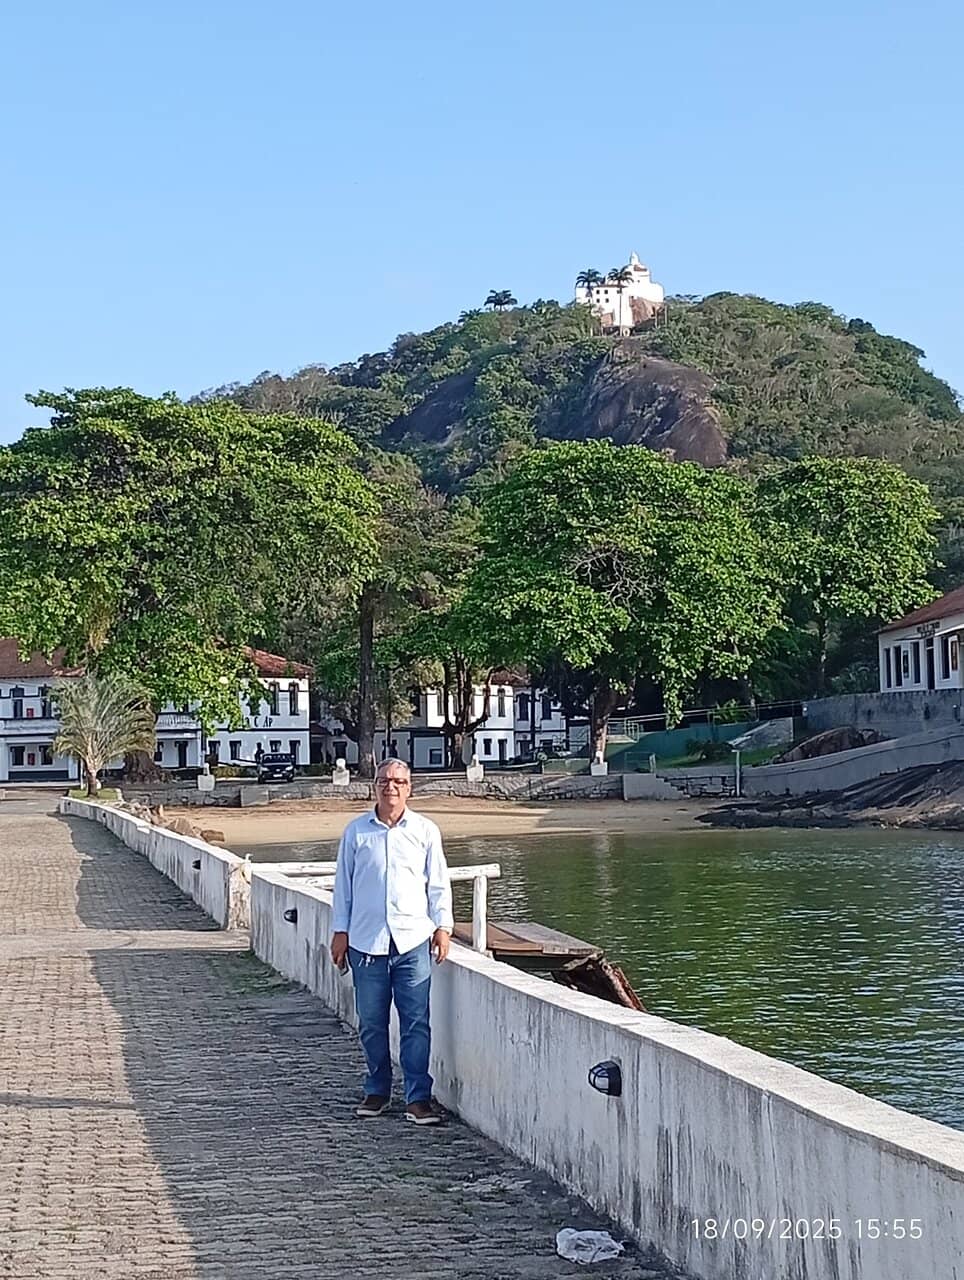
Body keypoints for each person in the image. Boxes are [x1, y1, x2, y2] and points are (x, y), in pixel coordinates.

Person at [330, 757, 453, 1125]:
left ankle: (418, 1097)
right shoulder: (356, 832)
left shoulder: (425, 831)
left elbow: (438, 883)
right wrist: (340, 931)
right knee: (371, 1021)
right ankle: (377, 1090)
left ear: (409, 787)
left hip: (413, 940)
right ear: (375, 785)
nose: (392, 787)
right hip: (366, 942)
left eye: (399, 781)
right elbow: (343, 887)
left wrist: (442, 927)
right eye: (385, 780)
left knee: (416, 1021)